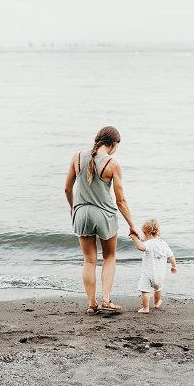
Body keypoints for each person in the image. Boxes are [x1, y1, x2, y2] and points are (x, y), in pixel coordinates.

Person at [65, 126, 137, 314]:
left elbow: (67, 189)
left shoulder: (77, 157)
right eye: (117, 146)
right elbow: (121, 200)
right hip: (104, 215)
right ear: (113, 144)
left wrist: (74, 208)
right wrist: (132, 225)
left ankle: (92, 303)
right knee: (109, 257)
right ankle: (106, 298)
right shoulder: (112, 164)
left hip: (82, 213)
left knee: (89, 261)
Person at [129, 218, 177, 314]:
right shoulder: (164, 244)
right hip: (160, 274)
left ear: (147, 233)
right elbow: (171, 256)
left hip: (148, 274)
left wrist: (134, 238)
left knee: (145, 291)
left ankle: (145, 308)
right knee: (158, 289)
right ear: (158, 232)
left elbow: (141, 247)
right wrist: (174, 266)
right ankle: (156, 303)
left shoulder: (149, 243)